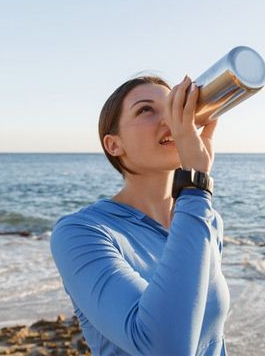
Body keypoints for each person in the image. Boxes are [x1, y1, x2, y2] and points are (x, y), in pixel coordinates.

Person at [49, 74, 230, 356]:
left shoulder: (207, 219)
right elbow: (163, 347)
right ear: (113, 145)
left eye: (173, 107)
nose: (170, 119)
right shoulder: (81, 232)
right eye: (146, 109)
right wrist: (196, 183)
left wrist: (196, 197)